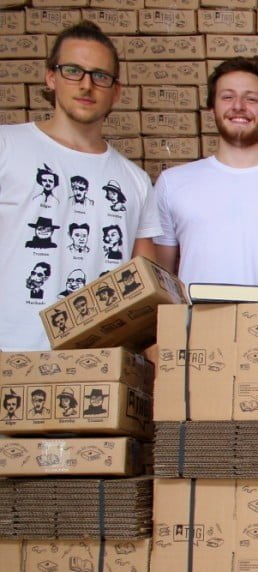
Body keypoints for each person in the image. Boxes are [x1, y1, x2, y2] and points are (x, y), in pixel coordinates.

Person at [0, 21, 160, 351]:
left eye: (100, 76)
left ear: (116, 91)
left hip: (97, 365)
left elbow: (147, 291)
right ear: (51, 77)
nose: (87, 85)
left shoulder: (135, 181)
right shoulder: (6, 146)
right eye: (74, 71)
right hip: (10, 354)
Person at [154, 56, 258, 286]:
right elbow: (161, 279)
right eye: (227, 97)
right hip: (197, 322)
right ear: (212, 110)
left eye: (251, 98)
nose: (238, 106)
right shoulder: (172, 183)